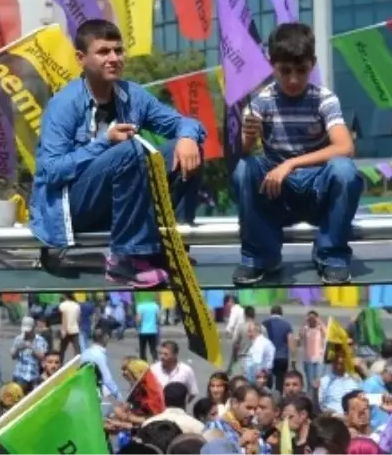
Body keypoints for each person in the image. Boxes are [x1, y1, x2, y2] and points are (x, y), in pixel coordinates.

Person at [32, 19, 205, 288]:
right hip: (73, 208)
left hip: (120, 205)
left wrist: (188, 137)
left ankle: (172, 250)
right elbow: (51, 171)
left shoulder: (132, 95)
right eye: (103, 52)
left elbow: (185, 122)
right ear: (81, 58)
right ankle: (126, 261)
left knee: (182, 149)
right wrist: (105, 142)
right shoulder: (63, 105)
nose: (114, 58)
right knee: (130, 150)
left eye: (118, 51)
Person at [234, 22, 362, 286]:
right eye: (285, 71)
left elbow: (344, 147)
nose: (293, 80)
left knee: (345, 171)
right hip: (277, 194)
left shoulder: (324, 99)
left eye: (301, 71)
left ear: (312, 65)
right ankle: (260, 256)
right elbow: (242, 153)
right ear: (273, 65)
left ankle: (332, 256)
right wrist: (247, 136)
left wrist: (289, 164)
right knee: (244, 169)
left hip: (317, 191)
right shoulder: (261, 101)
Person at [262, 306, 295, 391]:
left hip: (267, 358)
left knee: (267, 381)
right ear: (281, 313)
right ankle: (278, 399)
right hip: (282, 357)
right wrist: (293, 358)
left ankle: (267, 398)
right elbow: (291, 342)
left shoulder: (264, 324)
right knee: (280, 382)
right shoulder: (287, 325)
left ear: (271, 313)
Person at [137, 296, 162, 361]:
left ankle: (143, 361)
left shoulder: (140, 306)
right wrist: (156, 323)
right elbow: (159, 318)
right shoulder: (155, 306)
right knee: (153, 348)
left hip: (142, 331)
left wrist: (138, 326)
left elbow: (139, 319)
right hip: (153, 330)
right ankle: (155, 360)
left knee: (142, 348)